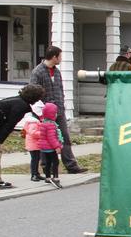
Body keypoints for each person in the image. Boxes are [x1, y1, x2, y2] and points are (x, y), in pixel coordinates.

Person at [0, 83, 46, 187]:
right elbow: (9, 125)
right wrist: (0, 140)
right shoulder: (21, 106)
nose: (38, 101)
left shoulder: (18, 100)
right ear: (34, 97)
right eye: (38, 98)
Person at [29, 46, 87, 174]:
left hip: (59, 110)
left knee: (64, 137)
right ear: (54, 57)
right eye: (60, 56)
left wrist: (62, 104)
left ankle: (71, 166)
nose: (61, 59)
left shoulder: (56, 72)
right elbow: (32, 92)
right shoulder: (37, 72)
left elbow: (60, 89)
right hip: (45, 112)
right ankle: (46, 167)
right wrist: (40, 112)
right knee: (46, 139)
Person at [37, 102, 64, 188]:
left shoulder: (43, 122)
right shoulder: (51, 125)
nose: (56, 114)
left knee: (48, 162)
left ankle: (47, 177)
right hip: (50, 147)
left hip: (44, 147)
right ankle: (55, 177)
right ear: (52, 114)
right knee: (55, 162)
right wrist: (57, 147)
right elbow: (51, 138)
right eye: (55, 113)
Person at [21, 103, 44, 181]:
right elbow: (33, 133)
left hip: (35, 144)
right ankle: (33, 175)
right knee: (34, 159)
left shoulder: (33, 121)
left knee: (36, 159)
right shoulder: (33, 122)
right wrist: (43, 134)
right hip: (33, 145)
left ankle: (37, 174)